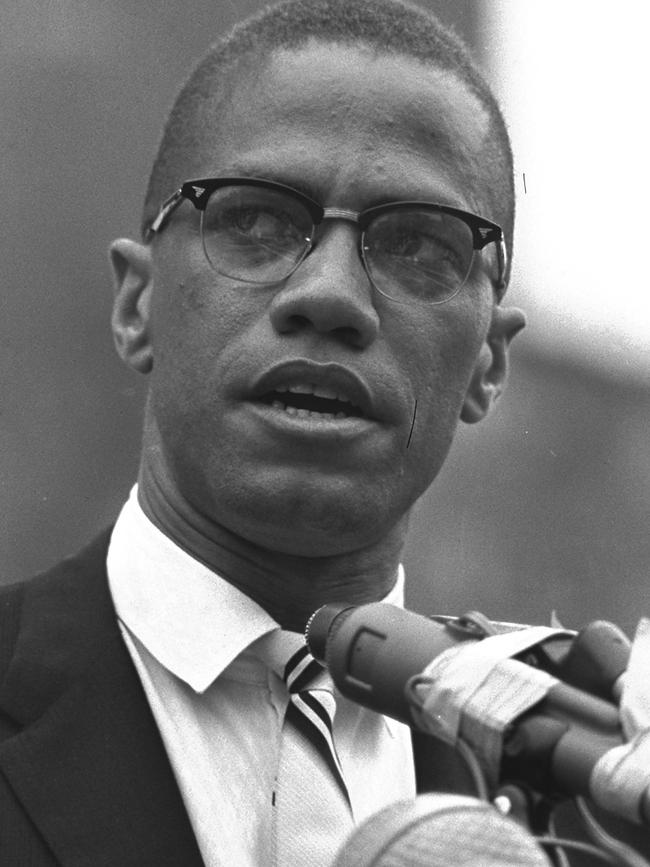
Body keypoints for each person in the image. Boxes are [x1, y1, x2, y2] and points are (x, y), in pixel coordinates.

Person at [3, 0, 628, 864]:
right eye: (255, 221)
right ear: (136, 303)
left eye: (419, 244)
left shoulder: (581, 793)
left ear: (488, 362)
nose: (329, 294)